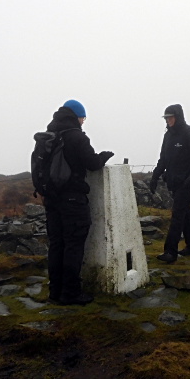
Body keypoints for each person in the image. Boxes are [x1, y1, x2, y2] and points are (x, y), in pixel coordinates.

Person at [42, 99, 114, 305]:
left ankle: (55, 291)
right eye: (83, 118)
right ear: (76, 116)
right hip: (72, 200)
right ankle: (71, 293)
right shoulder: (76, 136)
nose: (83, 122)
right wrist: (103, 156)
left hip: (51, 199)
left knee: (56, 244)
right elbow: (92, 164)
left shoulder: (49, 135)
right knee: (73, 245)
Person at [150, 104, 190, 264]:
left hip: (186, 182)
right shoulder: (168, 136)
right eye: (166, 118)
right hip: (173, 182)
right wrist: (155, 176)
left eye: (171, 117)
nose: (168, 121)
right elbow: (163, 159)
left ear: (178, 117)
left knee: (177, 215)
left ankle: (170, 251)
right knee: (185, 213)